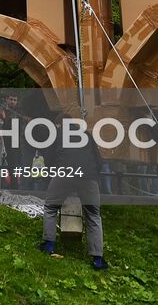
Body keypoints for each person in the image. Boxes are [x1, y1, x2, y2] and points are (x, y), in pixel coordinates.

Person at [39, 115, 107, 271]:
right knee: (93, 214)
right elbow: (99, 160)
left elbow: (48, 158)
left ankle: (48, 245)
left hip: (65, 172)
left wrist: (53, 175)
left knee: (51, 207)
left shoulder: (57, 133)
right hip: (89, 175)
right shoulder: (86, 134)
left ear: (58, 124)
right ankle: (98, 259)